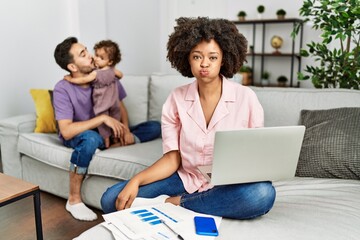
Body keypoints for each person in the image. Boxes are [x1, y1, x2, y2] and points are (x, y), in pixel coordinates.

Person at [101, 17, 276, 220]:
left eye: (212, 57)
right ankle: (203, 203)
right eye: (196, 57)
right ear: (187, 59)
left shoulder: (246, 98)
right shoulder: (176, 98)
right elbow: (172, 158)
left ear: (224, 59)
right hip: (187, 177)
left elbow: (254, 155)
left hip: (228, 182)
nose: (204, 64)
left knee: (262, 194)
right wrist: (136, 181)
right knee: (110, 199)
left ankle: (174, 203)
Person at [53, 37, 161, 221]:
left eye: (87, 50)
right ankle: (74, 200)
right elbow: (67, 131)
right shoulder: (62, 88)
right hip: (81, 134)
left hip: (108, 131)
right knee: (90, 139)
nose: (90, 56)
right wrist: (101, 119)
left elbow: (120, 106)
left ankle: (110, 143)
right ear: (72, 67)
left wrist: (125, 130)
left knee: (154, 127)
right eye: (83, 54)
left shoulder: (105, 76)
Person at [65, 40, 124, 148]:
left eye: (100, 57)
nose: (93, 57)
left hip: (103, 104)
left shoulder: (95, 73)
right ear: (72, 67)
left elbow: (83, 80)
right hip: (112, 106)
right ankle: (114, 141)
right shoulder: (112, 71)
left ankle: (112, 141)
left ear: (110, 61)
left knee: (153, 127)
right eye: (96, 55)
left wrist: (71, 79)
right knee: (109, 122)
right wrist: (113, 74)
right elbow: (121, 74)